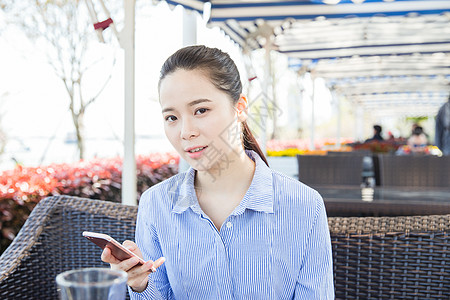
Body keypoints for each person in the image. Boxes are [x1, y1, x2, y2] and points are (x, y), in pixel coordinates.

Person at [101, 45, 334, 299]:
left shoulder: (303, 205)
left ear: (240, 108)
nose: (185, 131)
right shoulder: (155, 205)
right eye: (171, 117)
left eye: (200, 110)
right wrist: (140, 285)